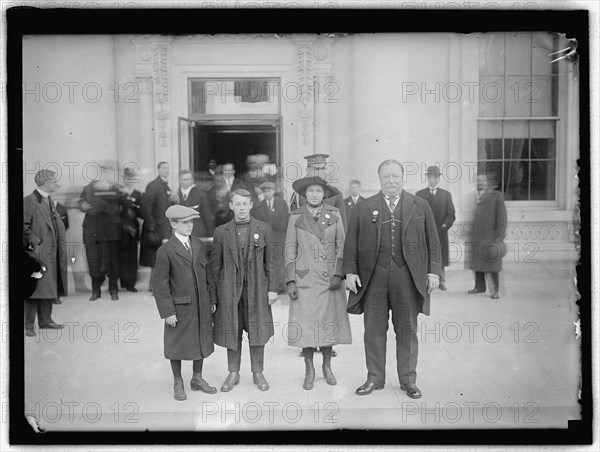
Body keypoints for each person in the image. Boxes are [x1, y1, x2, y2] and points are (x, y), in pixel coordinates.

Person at [343, 159, 441, 399]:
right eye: (386, 176)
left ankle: (408, 380)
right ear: (379, 178)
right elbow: (350, 243)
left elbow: (433, 241)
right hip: (373, 277)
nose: (391, 181)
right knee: (373, 330)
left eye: (395, 176)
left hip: (406, 277)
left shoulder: (420, 205)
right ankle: (374, 378)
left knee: (407, 330)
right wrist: (350, 272)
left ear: (403, 177)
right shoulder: (364, 207)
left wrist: (433, 271)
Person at [285, 175, 352, 390]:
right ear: (305, 195)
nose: (314, 195)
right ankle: (309, 369)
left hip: (330, 279)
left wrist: (338, 274)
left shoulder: (334, 214)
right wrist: (291, 280)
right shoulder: (296, 216)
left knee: (329, 325)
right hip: (306, 279)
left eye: (318, 191)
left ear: (324, 194)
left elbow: (342, 245)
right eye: (311, 191)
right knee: (307, 327)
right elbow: (290, 249)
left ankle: (327, 367)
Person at [210, 189, 279, 392]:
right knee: (232, 330)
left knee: (257, 329)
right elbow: (215, 267)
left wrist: (272, 289)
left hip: (257, 289)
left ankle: (258, 372)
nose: (241, 208)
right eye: (237, 204)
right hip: (229, 292)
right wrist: (215, 296)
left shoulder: (264, 229)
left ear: (251, 205)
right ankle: (233, 372)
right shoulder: (221, 232)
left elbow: (272, 262)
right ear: (231, 206)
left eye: (245, 203)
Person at [151, 205, 218, 401]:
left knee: (200, 341)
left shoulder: (198, 244)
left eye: (191, 222)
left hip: (201, 304)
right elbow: (160, 285)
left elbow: (207, 275)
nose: (189, 226)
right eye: (184, 222)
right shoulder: (165, 250)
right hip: (179, 308)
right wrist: (167, 311)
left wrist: (212, 299)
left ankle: (197, 378)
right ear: (173, 224)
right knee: (176, 344)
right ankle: (178, 381)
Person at [23, 169, 68, 337]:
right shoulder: (29, 201)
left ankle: (46, 320)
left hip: (52, 254)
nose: (56, 182)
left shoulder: (49, 201)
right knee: (33, 290)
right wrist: (37, 244)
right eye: (54, 180)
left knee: (49, 286)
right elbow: (22, 227)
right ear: (45, 182)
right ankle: (28, 325)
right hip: (37, 255)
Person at [79, 160, 125, 301]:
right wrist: (83, 206)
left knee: (112, 262)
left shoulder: (115, 188)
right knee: (94, 261)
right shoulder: (88, 188)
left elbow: (121, 206)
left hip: (111, 230)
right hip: (93, 230)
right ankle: (95, 291)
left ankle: (113, 290)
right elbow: (81, 202)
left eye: (106, 171)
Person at [465, 173, 507, 299]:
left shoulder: (496, 196)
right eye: (478, 182)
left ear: (487, 182)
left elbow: (502, 217)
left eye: (482, 181)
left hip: (490, 237)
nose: (480, 184)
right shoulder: (474, 196)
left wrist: (500, 236)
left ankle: (495, 291)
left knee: (492, 267)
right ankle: (479, 287)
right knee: (477, 264)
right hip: (476, 237)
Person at [416, 166, 456, 291]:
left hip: (440, 231)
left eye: (435, 177)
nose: (433, 179)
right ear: (427, 178)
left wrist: (445, 225)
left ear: (439, 179)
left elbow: (451, 214)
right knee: (425, 256)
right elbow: (416, 213)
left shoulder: (446, 195)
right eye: (431, 177)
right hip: (424, 232)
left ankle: (442, 281)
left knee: (440, 257)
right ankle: (423, 281)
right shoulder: (420, 194)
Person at [289, 154, 348, 231]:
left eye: (323, 168)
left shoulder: (335, 193)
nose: (320, 172)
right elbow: (293, 225)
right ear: (308, 170)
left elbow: (342, 225)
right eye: (316, 169)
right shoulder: (297, 195)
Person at [251, 181, 290, 293]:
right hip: (265, 239)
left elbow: (287, 220)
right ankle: (269, 286)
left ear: (273, 191)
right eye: (265, 191)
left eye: (269, 191)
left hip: (280, 237)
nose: (267, 193)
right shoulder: (259, 206)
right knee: (268, 261)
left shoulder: (281, 203)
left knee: (280, 261)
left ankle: (281, 285)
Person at [140, 162, 178, 273]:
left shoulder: (165, 186)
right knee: (156, 259)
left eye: (167, 168)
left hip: (165, 227)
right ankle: (155, 286)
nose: (166, 170)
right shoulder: (154, 185)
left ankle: (158, 286)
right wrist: (151, 227)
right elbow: (146, 208)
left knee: (162, 259)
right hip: (158, 228)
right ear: (158, 170)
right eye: (163, 168)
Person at [119, 167, 142, 292]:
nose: (128, 180)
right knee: (122, 256)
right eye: (125, 178)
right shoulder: (120, 193)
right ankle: (123, 281)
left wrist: (135, 213)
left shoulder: (138, 194)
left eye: (130, 178)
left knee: (132, 257)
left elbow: (141, 212)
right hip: (121, 229)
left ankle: (131, 283)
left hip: (133, 229)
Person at [177, 169, 214, 238]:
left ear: (192, 180)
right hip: (179, 235)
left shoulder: (201, 195)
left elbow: (207, 217)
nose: (186, 181)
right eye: (183, 179)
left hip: (197, 235)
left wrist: (211, 235)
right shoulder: (175, 195)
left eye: (188, 179)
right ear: (179, 180)